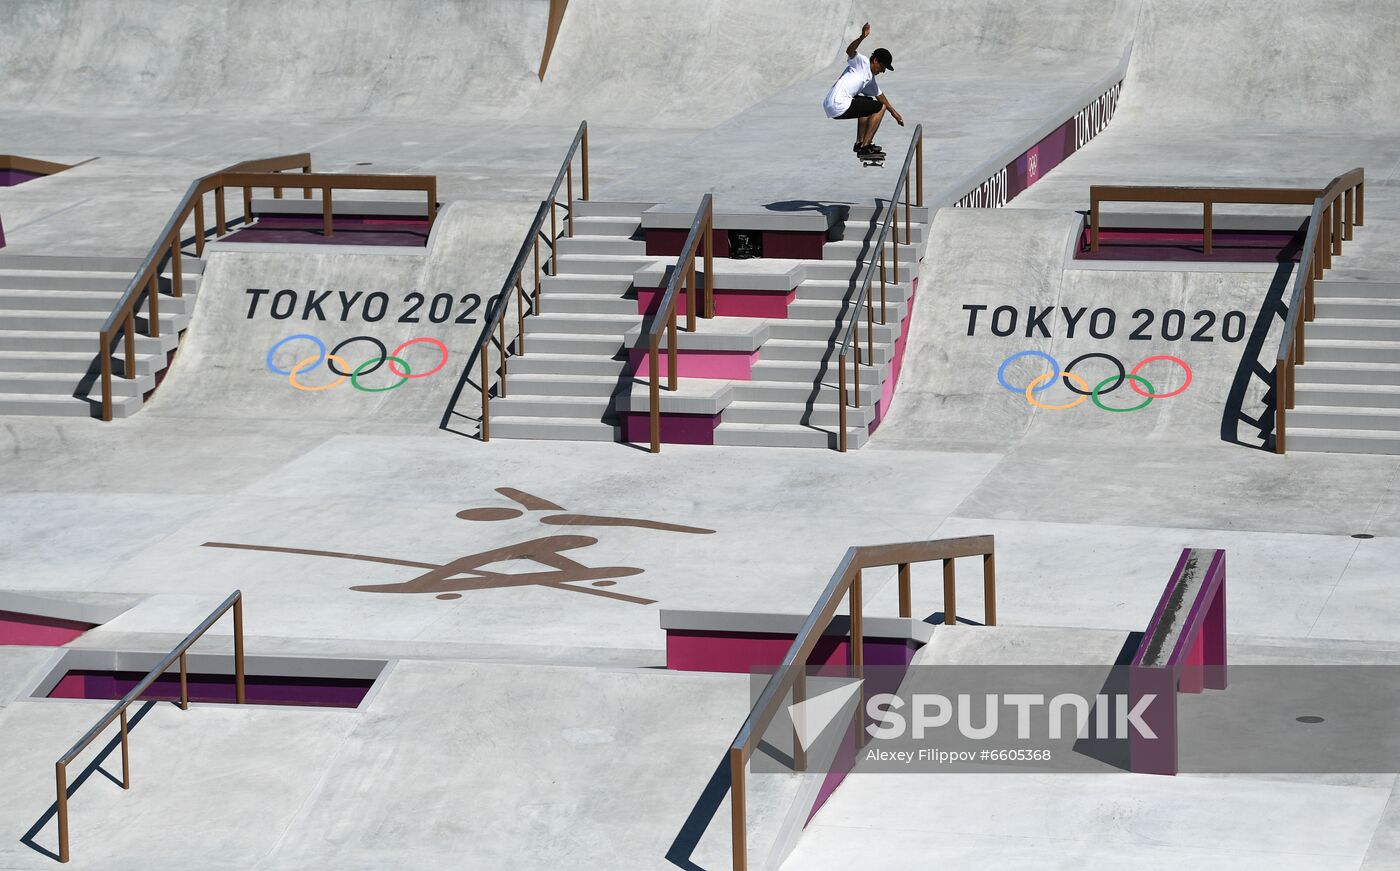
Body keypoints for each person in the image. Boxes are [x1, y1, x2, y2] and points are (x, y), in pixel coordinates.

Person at [823, 22, 904, 157]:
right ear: (875, 61)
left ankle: (859, 143)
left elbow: (880, 95)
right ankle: (866, 146)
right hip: (839, 104)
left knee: (868, 102)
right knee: (880, 107)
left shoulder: (870, 80)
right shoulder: (862, 62)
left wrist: (894, 113)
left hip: (831, 105)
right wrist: (861, 37)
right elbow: (849, 51)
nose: (883, 71)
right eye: (882, 67)